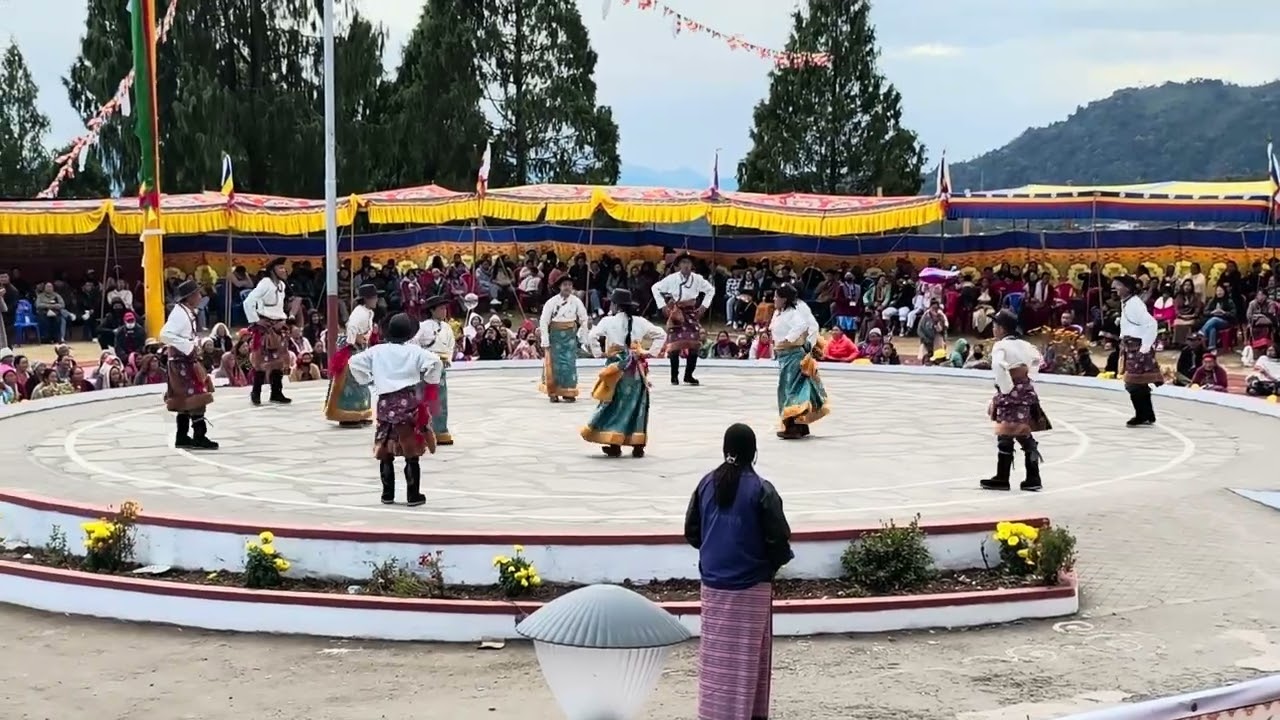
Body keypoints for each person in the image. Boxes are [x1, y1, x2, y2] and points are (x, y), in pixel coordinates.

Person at [683, 423, 793, 720]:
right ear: (753, 453)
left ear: (725, 450)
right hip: (752, 587)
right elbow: (779, 540)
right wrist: (768, 567)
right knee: (749, 660)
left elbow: (692, 532)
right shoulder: (762, 489)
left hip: (713, 587)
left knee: (716, 661)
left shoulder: (705, 484)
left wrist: (716, 552)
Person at [346, 313, 444, 507]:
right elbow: (436, 362)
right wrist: (429, 379)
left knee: (385, 445)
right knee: (411, 448)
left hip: (385, 402)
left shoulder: (377, 351)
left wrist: (367, 379)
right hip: (408, 400)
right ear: (409, 333)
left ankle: (387, 494)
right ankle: (413, 495)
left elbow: (353, 362)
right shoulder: (415, 351)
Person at [581, 289, 666, 457]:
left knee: (615, 404)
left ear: (615, 305)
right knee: (637, 404)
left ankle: (615, 443)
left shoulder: (608, 321)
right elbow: (661, 334)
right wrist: (649, 352)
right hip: (636, 370)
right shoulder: (640, 322)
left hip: (617, 368)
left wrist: (599, 353)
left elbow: (592, 336)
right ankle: (638, 445)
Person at [980, 310, 1048, 492]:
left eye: (995, 326)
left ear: (1002, 329)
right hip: (1026, 391)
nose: (993, 329)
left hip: (1010, 393)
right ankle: (1033, 477)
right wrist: (1028, 377)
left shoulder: (1000, 346)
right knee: (1022, 432)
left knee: (1006, 434)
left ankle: (1003, 477)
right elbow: (1038, 361)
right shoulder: (1026, 345)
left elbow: (998, 366)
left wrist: (1006, 387)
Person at [158, 279, 217, 450]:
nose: (200, 297)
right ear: (189, 297)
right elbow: (165, 334)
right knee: (196, 397)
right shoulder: (180, 314)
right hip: (181, 362)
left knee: (185, 399)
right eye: (197, 294)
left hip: (184, 361)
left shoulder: (186, 312)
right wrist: (188, 346)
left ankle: (182, 436)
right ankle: (199, 436)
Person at [771, 284, 829, 440]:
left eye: (776, 296)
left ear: (784, 299)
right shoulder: (780, 313)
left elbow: (803, 326)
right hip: (785, 356)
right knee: (790, 389)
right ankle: (800, 426)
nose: (774, 299)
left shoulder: (793, 312)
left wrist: (788, 340)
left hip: (794, 355)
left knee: (791, 390)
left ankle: (793, 427)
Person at [651, 253, 715, 386]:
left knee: (694, 345)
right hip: (676, 312)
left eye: (688, 263)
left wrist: (704, 306)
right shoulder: (672, 278)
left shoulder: (697, 279)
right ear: (679, 265)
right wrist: (662, 306)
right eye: (683, 262)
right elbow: (655, 288)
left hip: (691, 313)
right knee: (674, 346)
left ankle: (688, 375)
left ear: (692, 265)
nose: (686, 265)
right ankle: (674, 375)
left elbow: (710, 290)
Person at [324, 283, 380, 426]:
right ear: (366, 299)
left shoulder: (368, 312)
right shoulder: (359, 312)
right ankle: (347, 416)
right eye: (374, 297)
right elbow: (351, 327)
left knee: (361, 382)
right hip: (352, 349)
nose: (376, 300)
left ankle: (360, 413)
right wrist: (354, 340)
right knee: (350, 383)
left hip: (360, 348)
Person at [242, 257, 292, 406]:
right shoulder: (265, 283)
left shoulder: (282, 285)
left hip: (278, 326)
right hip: (265, 325)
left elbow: (279, 307)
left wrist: (283, 320)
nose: (284, 270)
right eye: (280, 268)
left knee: (278, 361)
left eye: (284, 267)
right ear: (272, 271)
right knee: (261, 361)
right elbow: (248, 301)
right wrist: (255, 320)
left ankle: (276, 393)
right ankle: (256, 393)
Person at [1114, 275, 1161, 427]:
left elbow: (1151, 324)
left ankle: (1142, 415)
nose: (1114, 289)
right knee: (1138, 384)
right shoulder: (1127, 303)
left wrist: (1145, 347)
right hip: (1130, 346)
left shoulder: (1134, 304)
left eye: (1118, 286)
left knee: (1132, 383)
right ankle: (1147, 415)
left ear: (1127, 288)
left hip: (1138, 347)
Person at [412, 295, 456, 445]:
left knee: (440, 399)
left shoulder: (447, 327)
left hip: (441, 364)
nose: (444, 311)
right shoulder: (423, 326)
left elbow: (451, 345)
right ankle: (423, 429)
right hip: (427, 365)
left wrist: (448, 358)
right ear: (432, 310)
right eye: (441, 308)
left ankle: (440, 429)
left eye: (445, 308)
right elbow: (414, 343)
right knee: (424, 399)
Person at [538, 275, 589, 403]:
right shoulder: (551, 302)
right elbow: (544, 321)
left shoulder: (576, 301)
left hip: (570, 337)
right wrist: (545, 338)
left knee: (569, 364)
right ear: (560, 287)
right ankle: (553, 392)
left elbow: (584, 318)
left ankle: (568, 391)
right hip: (555, 336)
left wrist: (582, 335)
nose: (567, 287)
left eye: (570, 285)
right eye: (565, 285)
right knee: (554, 364)